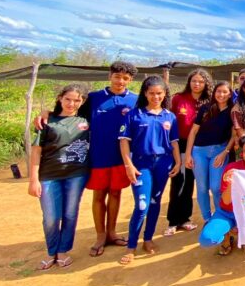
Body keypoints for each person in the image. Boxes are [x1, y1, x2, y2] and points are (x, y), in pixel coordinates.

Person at [33, 60, 138, 258]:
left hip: (121, 157)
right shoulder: (93, 98)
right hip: (96, 157)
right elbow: (68, 111)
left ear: (130, 80)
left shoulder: (134, 100)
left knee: (116, 194)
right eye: (117, 76)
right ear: (110, 76)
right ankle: (100, 236)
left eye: (125, 78)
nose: (120, 81)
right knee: (99, 196)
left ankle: (112, 233)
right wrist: (45, 112)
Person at [118, 76, 181, 264]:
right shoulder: (133, 115)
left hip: (163, 164)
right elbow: (124, 142)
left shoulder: (169, 116)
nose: (155, 97)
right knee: (142, 205)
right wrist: (128, 165)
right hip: (140, 165)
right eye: (152, 93)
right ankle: (131, 246)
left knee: (155, 202)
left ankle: (148, 239)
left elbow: (174, 142)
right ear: (145, 93)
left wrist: (177, 162)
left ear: (164, 94)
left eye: (159, 93)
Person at [29, 84, 90, 270]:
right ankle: (51, 252)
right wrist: (33, 179)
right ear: (59, 98)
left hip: (76, 175)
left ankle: (63, 250)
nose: (71, 103)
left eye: (77, 100)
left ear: (83, 102)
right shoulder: (47, 122)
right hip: (49, 175)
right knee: (51, 217)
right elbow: (36, 151)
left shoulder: (86, 120)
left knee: (70, 214)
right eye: (67, 99)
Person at [199, 135, 245, 255]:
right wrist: (232, 183)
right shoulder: (232, 169)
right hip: (228, 213)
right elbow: (225, 201)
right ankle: (227, 234)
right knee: (207, 239)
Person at [165, 69, 212, 237]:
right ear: (189, 82)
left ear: (206, 83)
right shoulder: (178, 99)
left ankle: (185, 219)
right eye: (194, 81)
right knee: (179, 181)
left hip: (201, 147)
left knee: (192, 183)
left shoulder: (210, 101)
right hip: (181, 146)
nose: (197, 84)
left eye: (200, 81)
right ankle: (173, 220)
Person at [185, 81, 236, 223]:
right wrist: (188, 154)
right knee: (202, 187)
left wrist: (225, 152)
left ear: (230, 94)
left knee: (216, 187)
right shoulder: (206, 108)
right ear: (214, 93)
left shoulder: (232, 111)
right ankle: (207, 218)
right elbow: (194, 131)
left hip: (219, 152)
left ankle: (220, 216)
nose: (221, 94)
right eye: (219, 91)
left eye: (225, 92)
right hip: (199, 152)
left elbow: (233, 136)